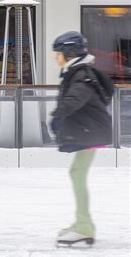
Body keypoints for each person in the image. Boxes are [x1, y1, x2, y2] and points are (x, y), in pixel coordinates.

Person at [51, 31, 113, 247]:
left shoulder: (80, 74)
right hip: (90, 130)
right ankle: (82, 223)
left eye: (58, 53)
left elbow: (75, 98)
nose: (55, 58)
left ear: (70, 52)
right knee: (76, 173)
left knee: (77, 174)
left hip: (90, 131)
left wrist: (57, 116)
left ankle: (84, 226)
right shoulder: (78, 71)